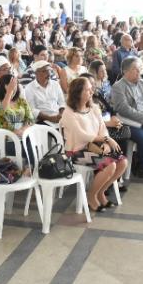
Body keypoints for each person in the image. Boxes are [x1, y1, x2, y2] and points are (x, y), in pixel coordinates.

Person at [60, 78, 127, 212]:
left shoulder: (94, 108)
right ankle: (91, 195)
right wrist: (105, 139)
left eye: (91, 88)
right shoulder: (68, 113)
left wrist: (106, 142)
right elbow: (81, 135)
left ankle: (101, 192)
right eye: (87, 89)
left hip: (95, 146)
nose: (91, 91)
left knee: (122, 162)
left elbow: (102, 127)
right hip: (76, 151)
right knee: (110, 165)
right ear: (78, 92)